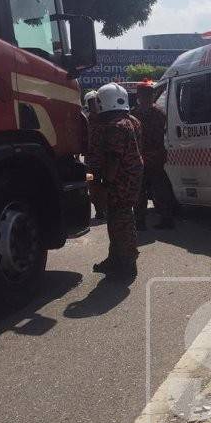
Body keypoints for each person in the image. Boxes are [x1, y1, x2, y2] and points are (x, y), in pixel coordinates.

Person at [92, 83, 144, 278]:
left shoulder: (115, 126)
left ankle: (127, 264)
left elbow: (114, 158)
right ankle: (115, 259)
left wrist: (106, 182)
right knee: (117, 220)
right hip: (131, 178)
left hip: (120, 181)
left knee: (121, 221)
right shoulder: (132, 121)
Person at [133, 80, 175, 230]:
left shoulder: (135, 114)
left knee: (142, 190)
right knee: (159, 189)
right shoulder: (159, 113)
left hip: (143, 156)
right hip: (155, 156)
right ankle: (165, 218)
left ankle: (141, 221)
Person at [84, 90, 107, 220]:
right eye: (91, 103)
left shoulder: (106, 120)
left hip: (106, 160)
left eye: (96, 102)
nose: (94, 106)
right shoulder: (85, 121)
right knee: (92, 185)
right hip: (91, 162)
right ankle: (99, 210)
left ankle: (106, 208)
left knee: (108, 184)